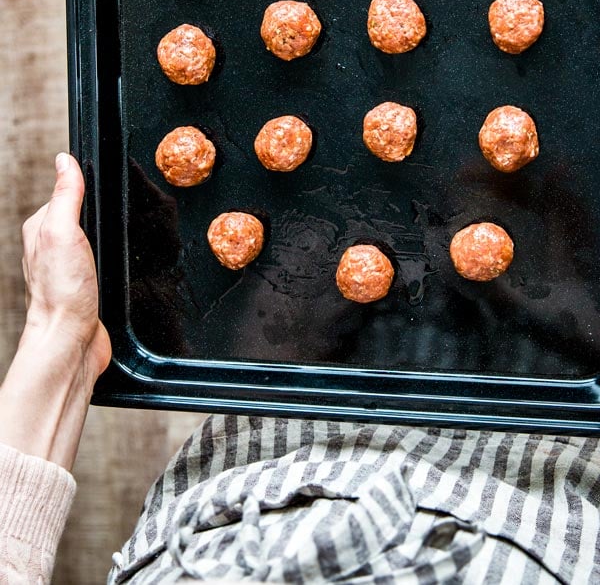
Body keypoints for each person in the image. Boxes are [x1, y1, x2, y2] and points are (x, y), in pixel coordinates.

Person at [1, 155, 600, 584]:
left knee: (301, 285)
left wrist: (61, 331)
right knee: (554, 337)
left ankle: (379, 270)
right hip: (525, 486)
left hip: (267, 457)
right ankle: (544, 308)